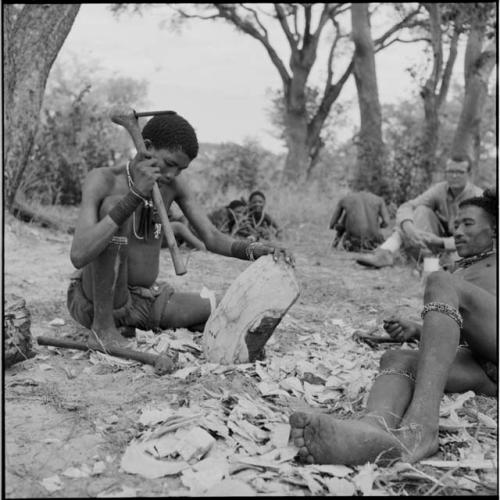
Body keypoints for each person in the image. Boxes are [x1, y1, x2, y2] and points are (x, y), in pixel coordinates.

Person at [290, 188, 497, 465]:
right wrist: (416, 328)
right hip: (483, 369)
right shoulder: (460, 272)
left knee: (439, 280)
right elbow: (457, 334)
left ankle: (422, 427)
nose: (458, 231)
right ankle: (372, 430)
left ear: (494, 230)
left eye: (468, 224)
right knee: (396, 358)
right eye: (456, 225)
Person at [67, 111, 293, 355]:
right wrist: (133, 198)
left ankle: (136, 325)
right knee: (113, 205)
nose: (173, 175)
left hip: (143, 302)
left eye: (181, 169)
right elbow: (79, 254)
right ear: (148, 148)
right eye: (170, 164)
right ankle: (103, 330)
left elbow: (212, 237)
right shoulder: (103, 179)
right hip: (95, 300)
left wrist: (253, 250)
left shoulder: (172, 184)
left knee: (227, 307)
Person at [356, 158, 483, 268]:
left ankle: (430, 262)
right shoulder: (440, 189)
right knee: (421, 210)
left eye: (460, 172)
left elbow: (474, 238)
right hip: (437, 240)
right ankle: (386, 253)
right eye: (450, 171)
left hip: (465, 244)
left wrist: (440, 241)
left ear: (469, 174)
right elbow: (408, 206)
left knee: (456, 264)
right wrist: (409, 227)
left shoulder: (478, 197)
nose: (454, 176)